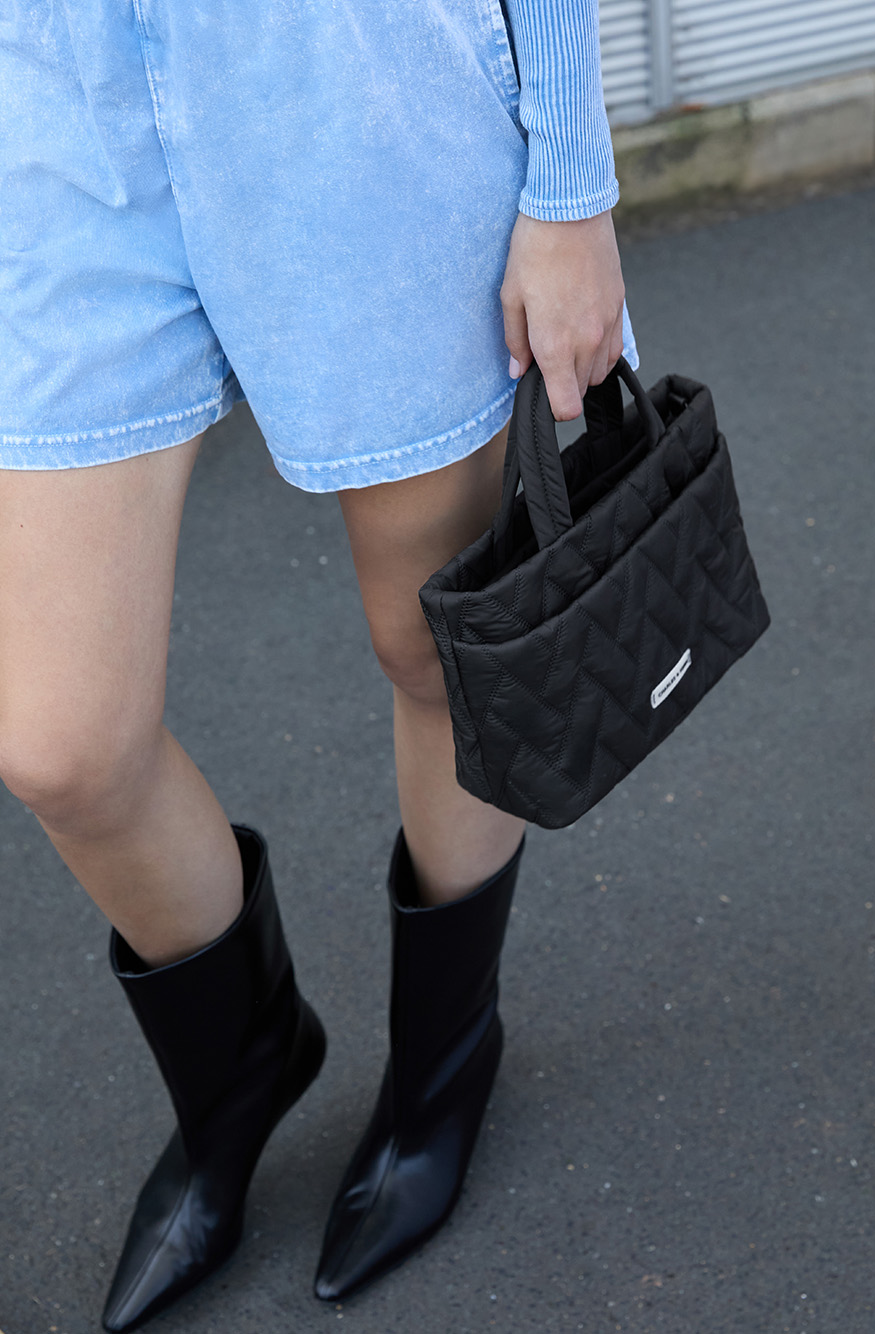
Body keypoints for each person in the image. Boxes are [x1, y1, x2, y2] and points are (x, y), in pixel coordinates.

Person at [0, 0, 640, 1328]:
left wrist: (570, 185)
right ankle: (245, 1065)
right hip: (60, 93)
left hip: (357, 79)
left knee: (436, 642)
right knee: (60, 739)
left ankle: (445, 1061)